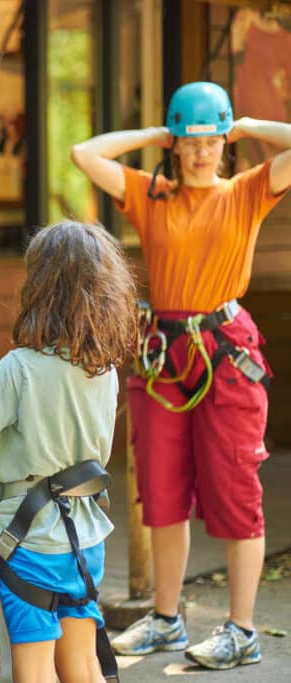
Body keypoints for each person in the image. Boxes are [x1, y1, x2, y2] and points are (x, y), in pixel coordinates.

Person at [71, 81, 291, 670]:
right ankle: (167, 619)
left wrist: (246, 125)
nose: (201, 152)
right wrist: (157, 134)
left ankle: (242, 629)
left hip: (224, 354)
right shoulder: (152, 194)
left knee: (236, 491)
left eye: (212, 140)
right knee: (161, 494)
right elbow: (83, 155)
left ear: (225, 142)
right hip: (160, 357)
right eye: (190, 142)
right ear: (176, 144)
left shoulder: (247, 190)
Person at [0, 221, 137, 683]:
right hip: (85, 539)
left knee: (33, 673)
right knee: (83, 667)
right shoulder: (102, 368)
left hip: (29, 545)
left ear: (40, 286)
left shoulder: (19, 368)